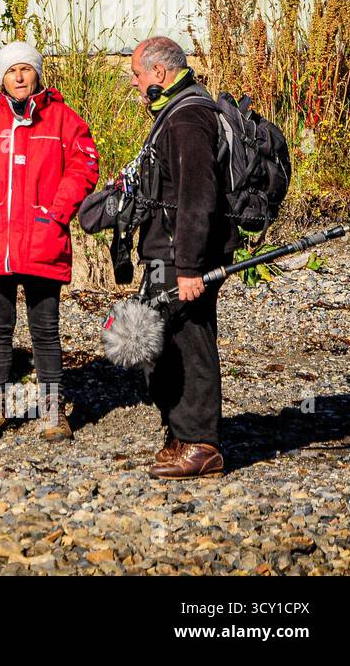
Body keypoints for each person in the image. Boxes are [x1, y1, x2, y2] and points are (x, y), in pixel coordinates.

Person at [0, 41, 98, 441]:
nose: (18, 76)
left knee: (45, 330)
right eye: (11, 71)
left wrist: (56, 212)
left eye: (25, 69)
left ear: (37, 74)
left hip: (44, 242)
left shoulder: (64, 121)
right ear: (1, 79)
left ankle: (52, 412)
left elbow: (83, 167)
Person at [127, 36, 237, 479]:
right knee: (162, 344)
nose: (136, 85)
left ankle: (202, 444)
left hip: (184, 257)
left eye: (137, 75)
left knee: (191, 343)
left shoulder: (189, 117)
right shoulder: (173, 112)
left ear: (159, 73)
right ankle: (178, 432)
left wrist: (190, 267)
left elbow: (197, 197)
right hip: (164, 252)